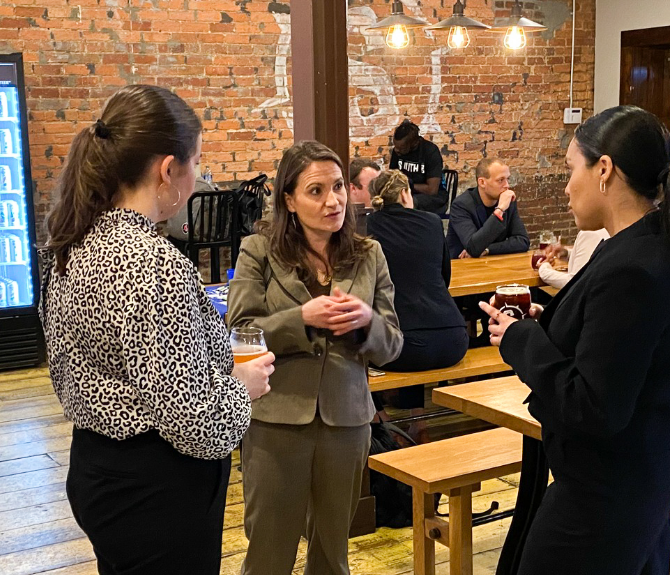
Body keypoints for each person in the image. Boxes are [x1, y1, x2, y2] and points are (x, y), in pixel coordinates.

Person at [39, 85, 274, 575]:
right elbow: (196, 423)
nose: (197, 177)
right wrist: (242, 387)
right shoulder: (152, 264)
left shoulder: (71, 244)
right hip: (157, 488)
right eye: (197, 163)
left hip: (97, 467)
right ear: (168, 170)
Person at [480, 105, 670, 575]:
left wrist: (520, 339)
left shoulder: (634, 266)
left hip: (609, 490)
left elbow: (595, 405)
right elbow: (620, 346)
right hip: (638, 472)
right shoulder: (647, 243)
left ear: (604, 169)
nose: (567, 187)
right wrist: (552, 324)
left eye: (572, 169)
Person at [228, 141, 403, 575]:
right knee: (269, 555)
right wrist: (302, 319)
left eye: (339, 186)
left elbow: (392, 345)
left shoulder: (369, 254)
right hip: (276, 419)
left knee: (332, 556)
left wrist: (366, 323)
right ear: (289, 199)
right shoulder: (258, 250)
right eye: (316, 190)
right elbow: (241, 330)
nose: (333, 201)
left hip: (347, 420)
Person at [366, 169, 469, 442]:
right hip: (453, 340)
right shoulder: (433, 222)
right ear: (405, 194)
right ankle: (418, 422)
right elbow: (445, 278)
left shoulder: (368, 227)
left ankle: (384, 424)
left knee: (356, 348)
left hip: (402, 349)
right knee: (408, 329)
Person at [446, 158, 530, 259]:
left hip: (493, 264)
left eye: (508, 179)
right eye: (500, 180)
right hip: (460, 265)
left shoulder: (508, 202)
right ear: (482, 182)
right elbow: (473, 247)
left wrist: (487, 249)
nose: (507, 185)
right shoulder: (461, 205)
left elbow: (522, 241)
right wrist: (500, 210)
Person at [389, 120, 448, 214]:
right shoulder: (397, 152)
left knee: (410, 202)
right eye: (395, 146)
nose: (396, 150)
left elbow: (432, 190)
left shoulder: (430, 151)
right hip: (407, 193)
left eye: (401, 148)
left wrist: (408, 185)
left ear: (414, 143)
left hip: (434, 198)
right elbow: (392, 178)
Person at [535, 229, 610, 289]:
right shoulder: (608, 230)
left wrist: (544, 269)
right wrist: (565, 253)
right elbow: (592, 258)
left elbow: (575, 282)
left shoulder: (590, 232)